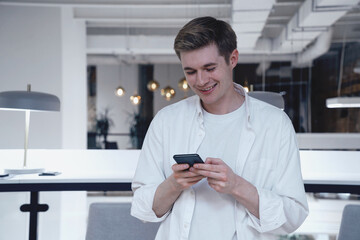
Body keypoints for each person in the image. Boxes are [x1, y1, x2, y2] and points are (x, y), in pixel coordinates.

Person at [131, 16, 308, 240]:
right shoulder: (166, 121)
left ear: (232, 58)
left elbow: (293, 216)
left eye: (209, 68)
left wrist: (237, 186)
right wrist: (174, 184)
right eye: (191, 71)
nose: (201, 80)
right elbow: (143, 208)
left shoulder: (275, 125)